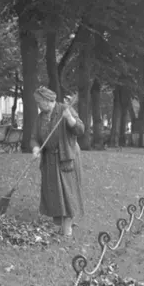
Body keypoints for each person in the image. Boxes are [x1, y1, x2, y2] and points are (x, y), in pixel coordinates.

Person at [30, 86, 84, 237]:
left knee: (67, 192)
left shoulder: (65, 110)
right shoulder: (40, 118)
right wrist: (36, 149)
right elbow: (34, 137)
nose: (38, 105)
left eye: (39, 102)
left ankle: (67, 228)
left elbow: (80, 130)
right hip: (50, 159)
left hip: (66, 157)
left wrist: (70, 119)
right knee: (54, 192)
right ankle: (59, 223)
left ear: (47, 100)